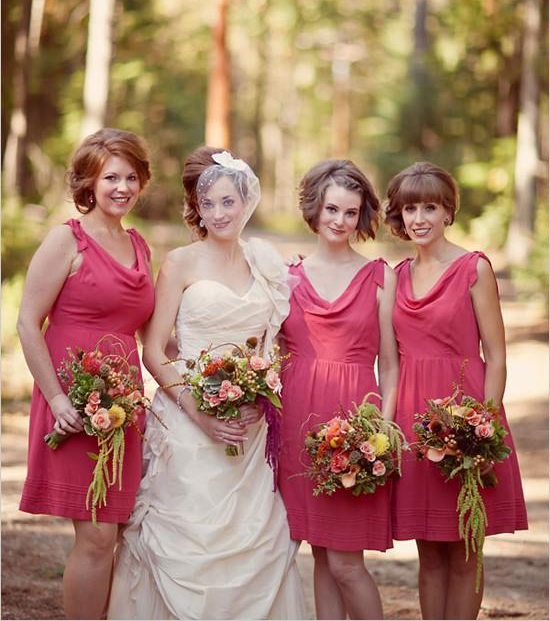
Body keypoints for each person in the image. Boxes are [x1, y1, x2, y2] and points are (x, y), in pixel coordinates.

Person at [107, 147, 306, 621]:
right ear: (197, 207)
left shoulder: (265, 263)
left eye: (228, 202)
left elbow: (274, 345)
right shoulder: (180, 263)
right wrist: (197, 410)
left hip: (250, 428)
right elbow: (153, 350)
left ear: (246, 202)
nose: (218, 214)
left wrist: (260, 393)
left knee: (256, 540)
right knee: (181, 538)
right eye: (208, 204)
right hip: (186, 422)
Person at [17, 128, 155, 621]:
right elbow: (28, 323)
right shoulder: (66, 239)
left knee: (115, 530)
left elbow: (149, 335)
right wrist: (57, 400)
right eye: (110, 177)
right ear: (89, 183)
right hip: (72, 402)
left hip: (123, 405)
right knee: (96, 534)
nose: (122, 187)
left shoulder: (140, 245)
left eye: (131, 177)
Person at [384, 161, 528, 620]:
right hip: (414, 420)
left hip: (467, 420)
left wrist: (483, 426)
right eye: (410, 209)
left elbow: (497, 355)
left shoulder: (474, 268)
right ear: (400, 216)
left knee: (466, 546)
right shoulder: (396, 275)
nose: (419, 218)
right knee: (429, 551)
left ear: (448, 212)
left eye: (430, 206)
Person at [278, 159, 399, 620]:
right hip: (297, 424)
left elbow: (389, 364)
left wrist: (383, 429)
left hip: (356, 424)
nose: (340, 221)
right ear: (314, 208)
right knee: (323, 555)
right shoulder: (287, 276)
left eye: (350, 213)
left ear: (361, 216)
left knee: (347, 562)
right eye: (331, 209)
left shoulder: (380, 277)